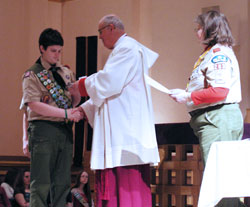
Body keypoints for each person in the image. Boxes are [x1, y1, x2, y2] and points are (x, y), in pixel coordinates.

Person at [70, 14, 160, 207]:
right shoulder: (123, 50)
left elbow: (109, 82)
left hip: (125, 135)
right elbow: (114, 94)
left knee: (127, 191)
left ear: (111, 28)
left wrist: (81, 84)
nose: (100, 37)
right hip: (123, 130)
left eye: (100, 32)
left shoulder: (127, 49)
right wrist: (85, 109)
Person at [169, 10, 244, 207]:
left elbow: (219, 91)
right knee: (220, 179)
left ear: (210, 29)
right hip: (213, 119)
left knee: (221, 181)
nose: (197, 32)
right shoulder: (209, 54)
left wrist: (187, 96)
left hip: (218, 119)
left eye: (200, 28)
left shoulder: (219, 54)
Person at [20, 28, 82, 207]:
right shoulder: (32, 74)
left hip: (64, 130)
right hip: (43, 130)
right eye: (53, 51)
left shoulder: (66, 73)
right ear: (42, 48)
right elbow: (32, 105)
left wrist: (76, 93)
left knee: (62, 182)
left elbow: (73, 102)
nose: (57, 55)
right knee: (41, 183)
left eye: (60, 51)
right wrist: (65, 113)